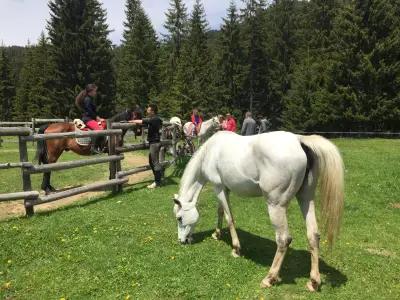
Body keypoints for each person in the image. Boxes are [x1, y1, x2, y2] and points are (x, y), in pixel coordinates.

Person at [129, 104, 163, 189]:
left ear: (152, 111)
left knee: (154, 162)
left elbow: (141, 121)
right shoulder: (156, 119)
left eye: (148, 110)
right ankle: (158, 179)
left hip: (154, 143)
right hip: (154, 143)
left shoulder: (154, 119)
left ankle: (157, 182)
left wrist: (132, 121)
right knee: (152, 161)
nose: (147, 111)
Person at [75, 84, 105, 154]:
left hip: (91, 118)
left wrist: (98, 118)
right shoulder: (87, 99)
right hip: (88, 119)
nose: (95, 93)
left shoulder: (90, 99)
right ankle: (93, 147)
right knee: (100, 130)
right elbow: (90, 111)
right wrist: (97, 118)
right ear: (90, 92)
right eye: (94, 91)